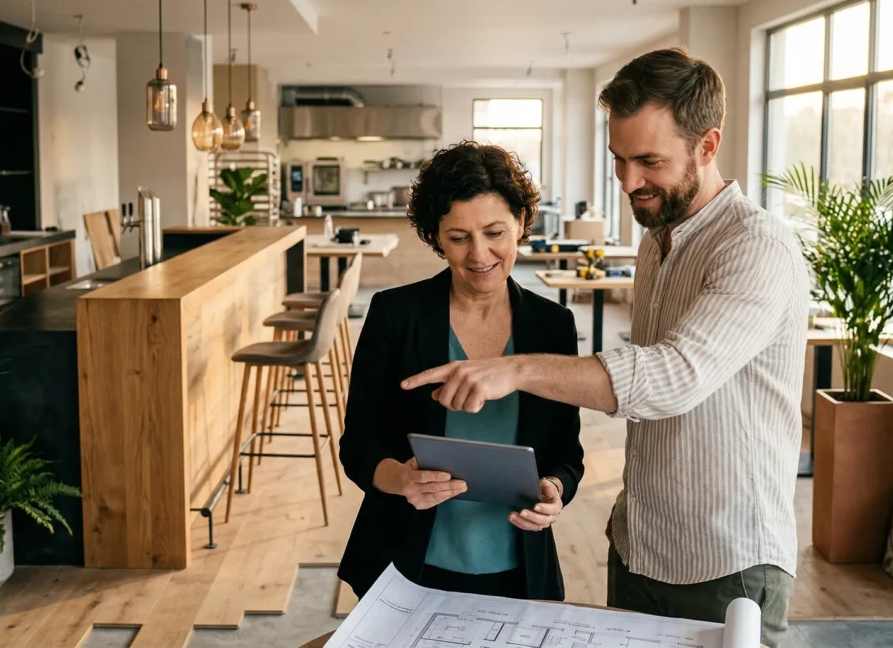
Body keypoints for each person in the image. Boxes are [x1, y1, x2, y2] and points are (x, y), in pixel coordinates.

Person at [401, 48, 808, 648]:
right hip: (641, 546)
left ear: (708, 144)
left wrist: (514, 369)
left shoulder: (755, 247)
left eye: (649, 161)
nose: (629, 182)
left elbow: (672, 378)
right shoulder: (660, 238)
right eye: (619, 160)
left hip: (728, 561)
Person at [337, 141, 585, 602]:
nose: (479, 255)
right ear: (435, 236)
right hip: (406, 559)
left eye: (495, 232)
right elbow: (358, 445)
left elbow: (567, 454)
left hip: (519, 567)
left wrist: (553, 488)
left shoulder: (553, 326)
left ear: (522, 225)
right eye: (458, 237)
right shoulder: (394, 314)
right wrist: (399, 479)